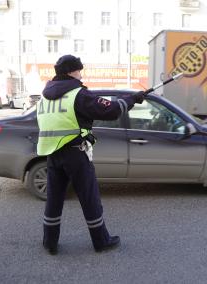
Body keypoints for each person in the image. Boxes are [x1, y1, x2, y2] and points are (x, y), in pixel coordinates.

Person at [36, 54, 144, 255]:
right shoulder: (78, 94)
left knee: (54, 199)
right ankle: (101, 241)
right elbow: (110, 111)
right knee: (89, 198)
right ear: (71, 71)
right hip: (75, 153)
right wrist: (132, 99)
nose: (80, 75)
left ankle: (49, 242)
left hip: (52, 154)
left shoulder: (45, 96)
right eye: (79, 70)